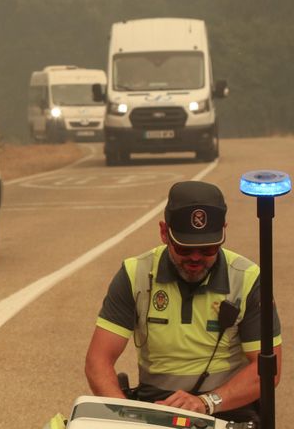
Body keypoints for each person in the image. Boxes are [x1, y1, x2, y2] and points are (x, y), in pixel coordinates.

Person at [85, 180, 282, 425]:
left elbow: (268, 371)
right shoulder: (135, 274)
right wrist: (123, 414)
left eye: (208, 248)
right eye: (184, 248)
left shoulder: (248, 278)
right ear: (164, 232)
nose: (196, 258)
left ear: (224, 232)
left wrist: (206, 402)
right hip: (154, 408)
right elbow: (98, 361)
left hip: (226, 409)